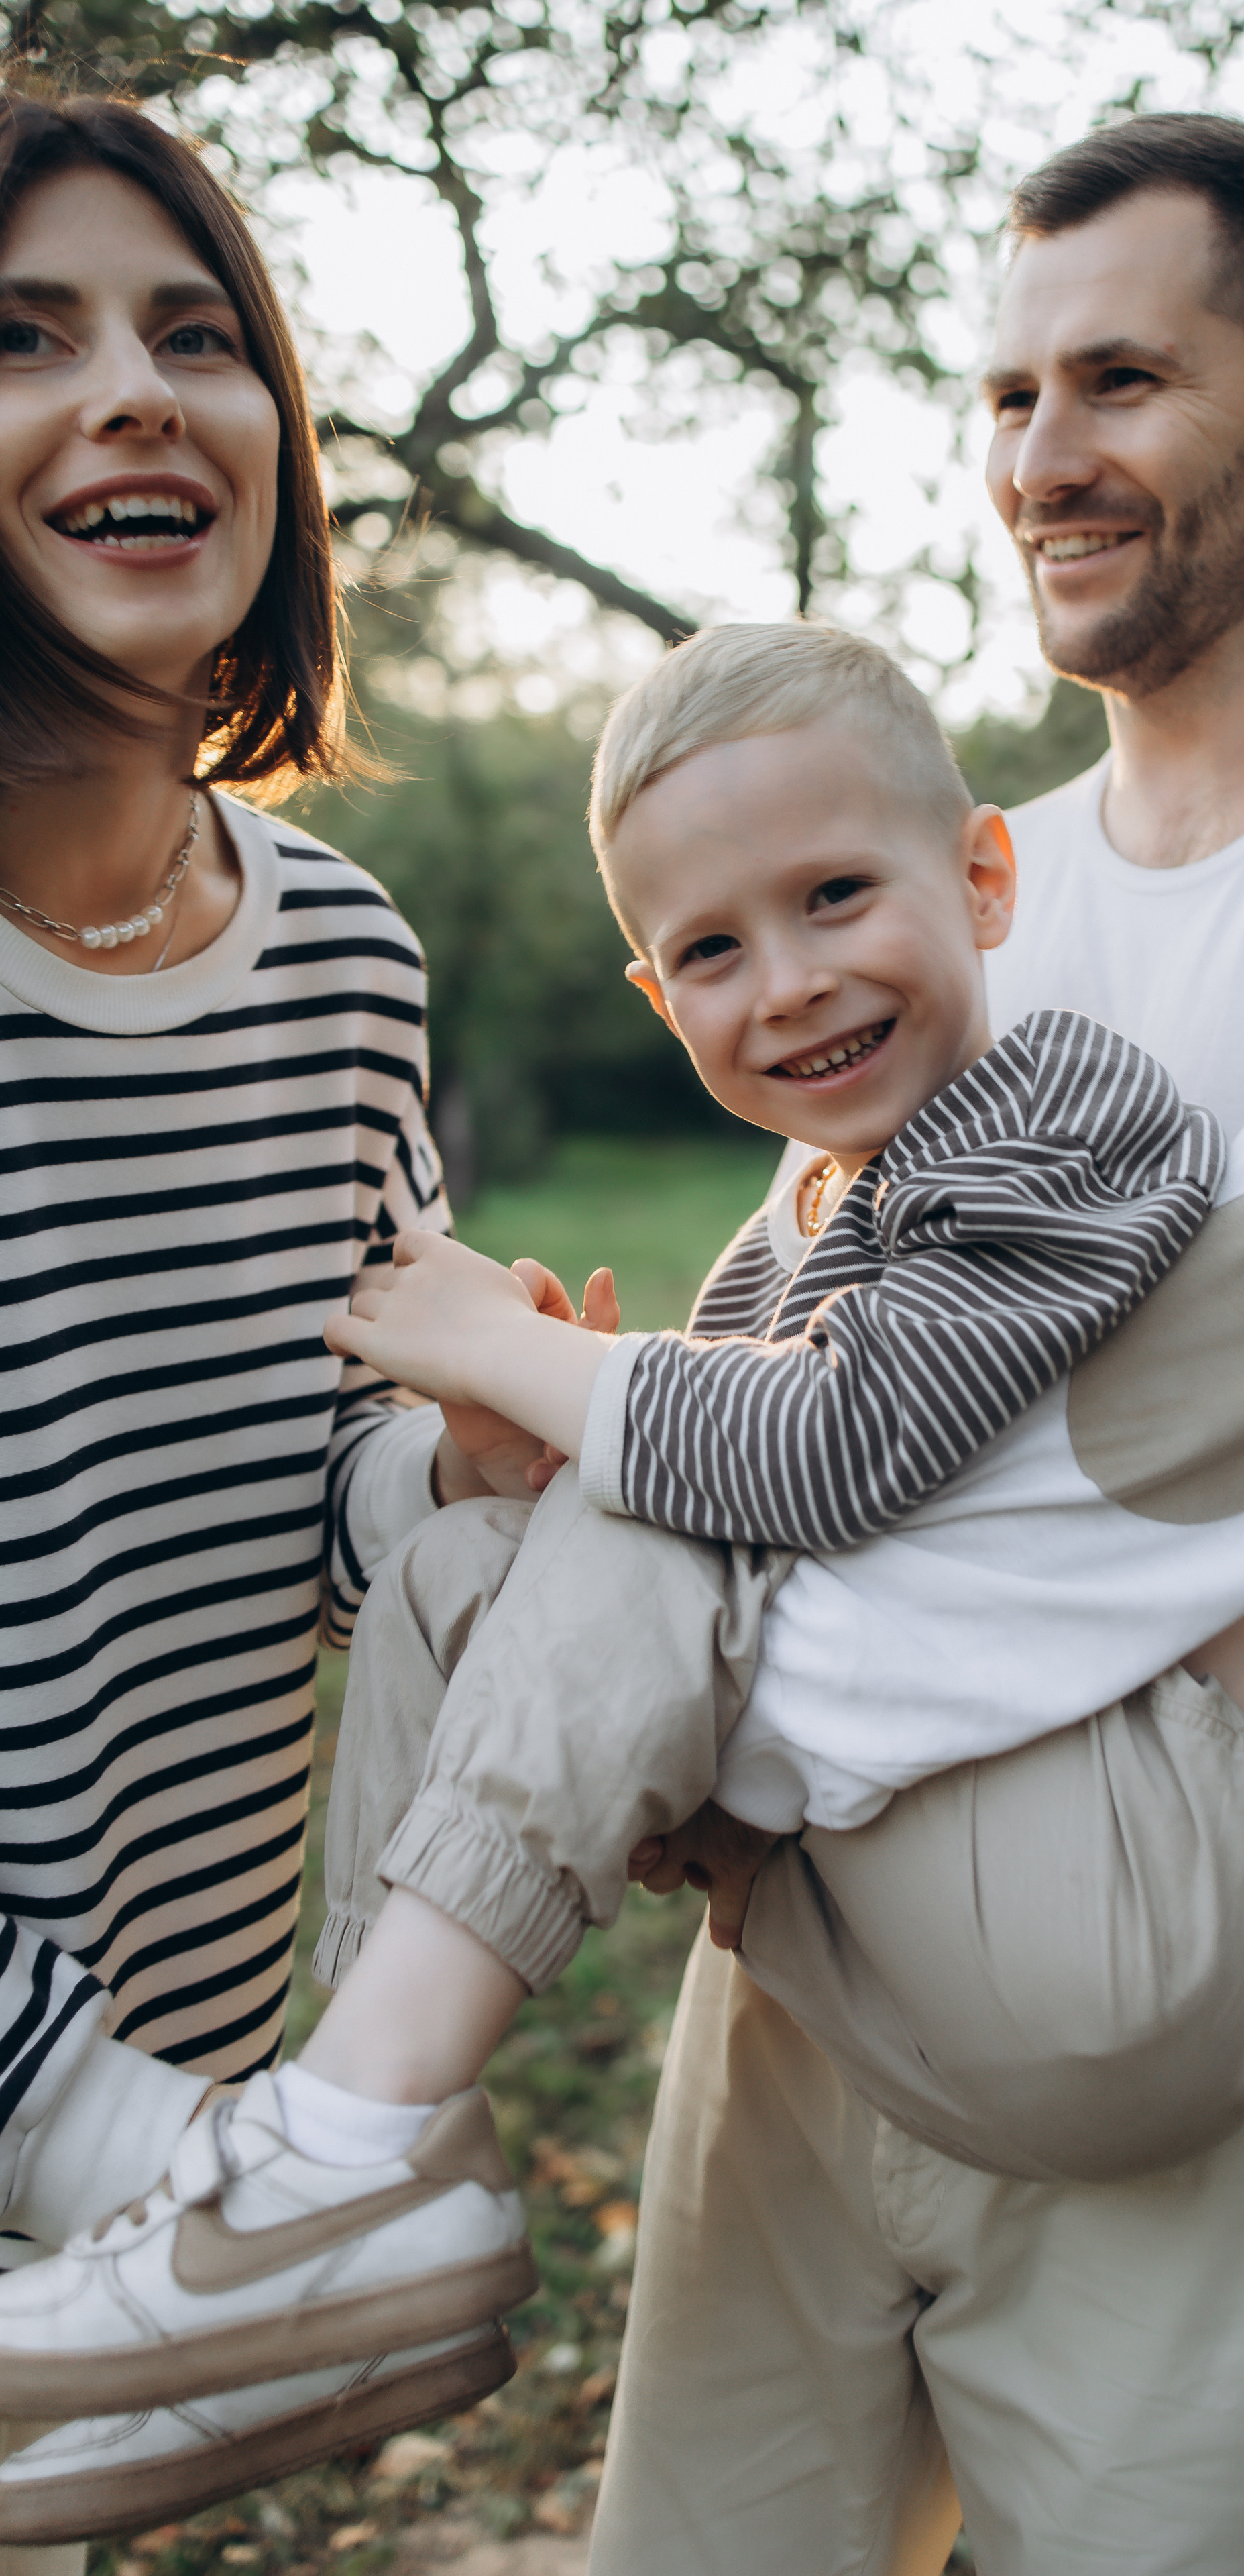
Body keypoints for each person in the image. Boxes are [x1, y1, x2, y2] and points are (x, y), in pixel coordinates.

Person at [555, 113, 1244, 2575]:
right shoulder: (954, 891)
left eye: (1126, 380)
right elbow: (791, 1380)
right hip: (810, 2005)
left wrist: (697, 1707)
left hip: (1223, 2039)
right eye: (1010, 397)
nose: (1044, 460)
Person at [0, 623, 1244, 2538]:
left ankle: (330, 2170)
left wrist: (527, 1358)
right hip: (905, 1914)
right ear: (654, 995)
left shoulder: (1068, 1112)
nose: (788, 984)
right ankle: (321, 2156)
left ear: (981, 876)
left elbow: (836, 1449)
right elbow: (690, 1549)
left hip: (1157, 1880)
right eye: (713, 950)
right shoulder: (777, 1230)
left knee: (648, 1493)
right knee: (492, 1548)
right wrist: (535, 1473)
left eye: (834, 897)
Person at [0, 85, 557, 2565]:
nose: (133, 391)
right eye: (25, 340)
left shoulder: (342, 953)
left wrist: (455, 1460)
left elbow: (287, 1481)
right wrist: (114, 2131)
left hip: (192, 2050)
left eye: (193, 332)